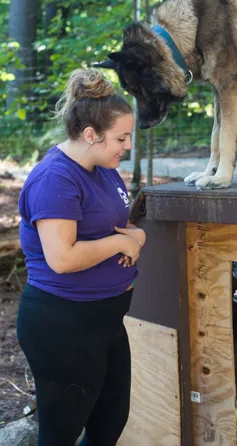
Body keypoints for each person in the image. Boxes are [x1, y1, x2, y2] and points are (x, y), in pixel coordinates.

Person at [16, 68, 147, 446]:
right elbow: (62, 257)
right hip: (64, 324)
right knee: (60, 434)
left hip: (105, 320)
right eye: (121, 138)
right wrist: (122, 245)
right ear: (91, 135)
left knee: (110, 424)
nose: (126, 146)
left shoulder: (103, 169)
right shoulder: (56, 179)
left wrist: (136, 235)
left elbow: (116, 227)